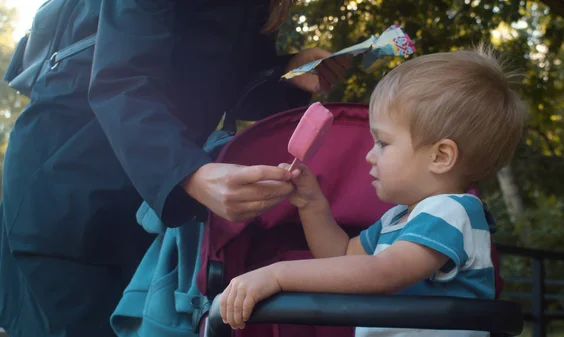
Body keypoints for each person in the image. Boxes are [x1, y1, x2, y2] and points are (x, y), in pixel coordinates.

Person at [0, 0, 349, 336]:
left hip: (143, 210)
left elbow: (212, 82)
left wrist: (286, 73)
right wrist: (190, 173)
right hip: (65, 193)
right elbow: (120, 79)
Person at [218, 45, 527, 336]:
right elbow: (340, 255)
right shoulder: (399, 219)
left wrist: (277, 275)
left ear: (440, 157)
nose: (370, 154)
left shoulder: (453, 212)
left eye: (383, 142)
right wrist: (312, 205)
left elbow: (382, 274)